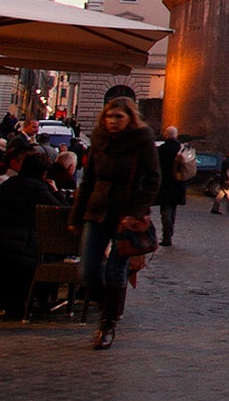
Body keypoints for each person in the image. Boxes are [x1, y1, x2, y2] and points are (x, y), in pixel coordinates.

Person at [67, 97, 160, 350]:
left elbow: (153, 179)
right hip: (96, 211)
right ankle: (107, 305)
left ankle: (108, 323)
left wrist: (137, 211)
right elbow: (88, 180)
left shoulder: (142, 140)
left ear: (130, 118)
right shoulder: (98, 139)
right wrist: (75, 216)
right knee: (86, 271)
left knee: (115, 270)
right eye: (109, 116)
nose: (112, 121)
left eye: (118, 116)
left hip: (125, 215)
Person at [0, 152, 71, 318]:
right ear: (44, 173)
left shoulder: (7, 185)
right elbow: (62, 212)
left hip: (3, 243)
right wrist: (56, 191)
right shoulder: (38, 188)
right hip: (26, 248)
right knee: (54, 256)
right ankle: (40, 299)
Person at [154, 126, 186, 247]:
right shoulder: (182, 148)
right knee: (173, 208)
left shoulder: (161, 149)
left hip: (165, 183)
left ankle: (167, 235)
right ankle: (170, 233)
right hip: (179, 182)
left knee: (165, 209)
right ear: (176, 135)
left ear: (166, 135)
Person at [211, 148, 229, 215]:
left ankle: (215, 208)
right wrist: (228, 179)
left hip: (224, 180)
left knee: (220, 194)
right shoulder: (228, 161)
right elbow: (226, 171)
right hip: (226, 180)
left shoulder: (227, 160)